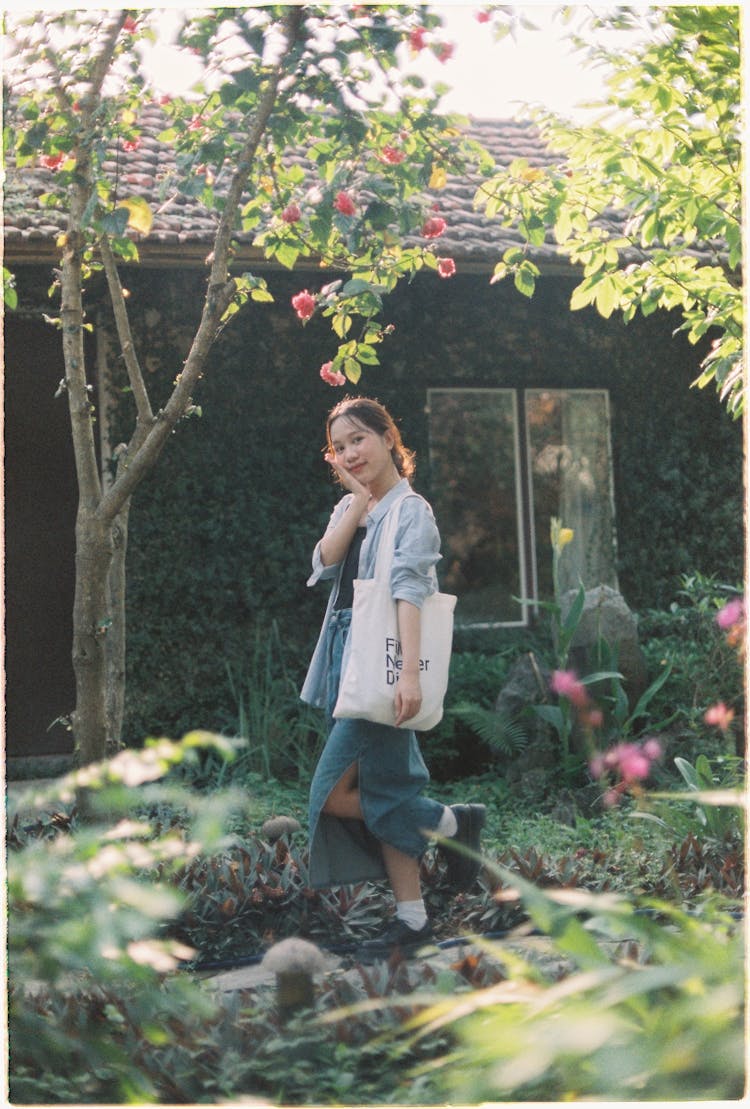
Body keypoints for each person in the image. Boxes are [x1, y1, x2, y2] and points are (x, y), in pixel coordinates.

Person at [301, 396, 485, 959]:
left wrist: (408, 675)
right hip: (347, 659)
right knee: (385, 788)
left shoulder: (412, 512)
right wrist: (356, 501)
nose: (350, 453)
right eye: (339, 446)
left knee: (329, 795)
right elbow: (324, 561)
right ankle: (413, 914)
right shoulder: (357, 508)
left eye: (359, 439)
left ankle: (449, 825)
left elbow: (411, 592)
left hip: (383, 663)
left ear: (388, 439)